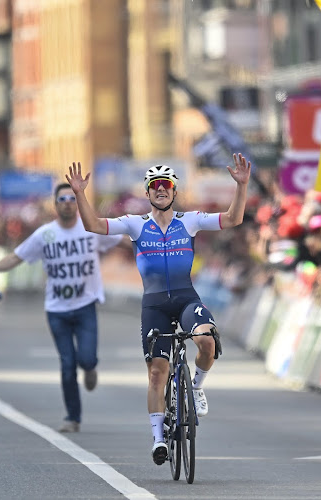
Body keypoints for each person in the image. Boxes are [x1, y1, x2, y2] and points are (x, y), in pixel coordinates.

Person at [65, 153, 251, 465]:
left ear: (174, 191)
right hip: (154, 305)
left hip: (186, 298)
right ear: (147, 192)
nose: (160, 189)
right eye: (154, 185)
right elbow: (94, 224)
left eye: (166, 184)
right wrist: (80, 193)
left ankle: (196, 387)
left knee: (206, 341)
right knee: (156, 373)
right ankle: (158, 438)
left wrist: (241, 186)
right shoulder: (135, 225)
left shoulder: (189, 220)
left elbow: (232, 219)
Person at [0, 183, 123, 433]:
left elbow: (124, 240)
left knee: (86, 358)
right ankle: (73, 417)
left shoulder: (90, 229)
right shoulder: (44, 234)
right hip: (57, 309)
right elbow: (15, 258)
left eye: (73, 198)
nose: (69, 202)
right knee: (67, 364)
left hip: (85, 306)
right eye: (63, 199)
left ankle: (90, 367)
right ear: (55, 204)